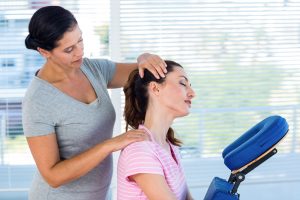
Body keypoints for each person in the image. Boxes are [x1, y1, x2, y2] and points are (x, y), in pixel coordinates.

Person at [22, 5, 167, 200]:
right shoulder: (38, 100)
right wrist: (110, 145)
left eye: (80, 40)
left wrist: (144, 57)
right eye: (69, 49)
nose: (79, 52)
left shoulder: (92, 69)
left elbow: (143, 74)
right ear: (44, 52)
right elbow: (52, 176)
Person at [117, 60, 195, 200]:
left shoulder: (169, 146)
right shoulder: (140, 150)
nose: (192, 93)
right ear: (155, 88)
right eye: (183, 83)